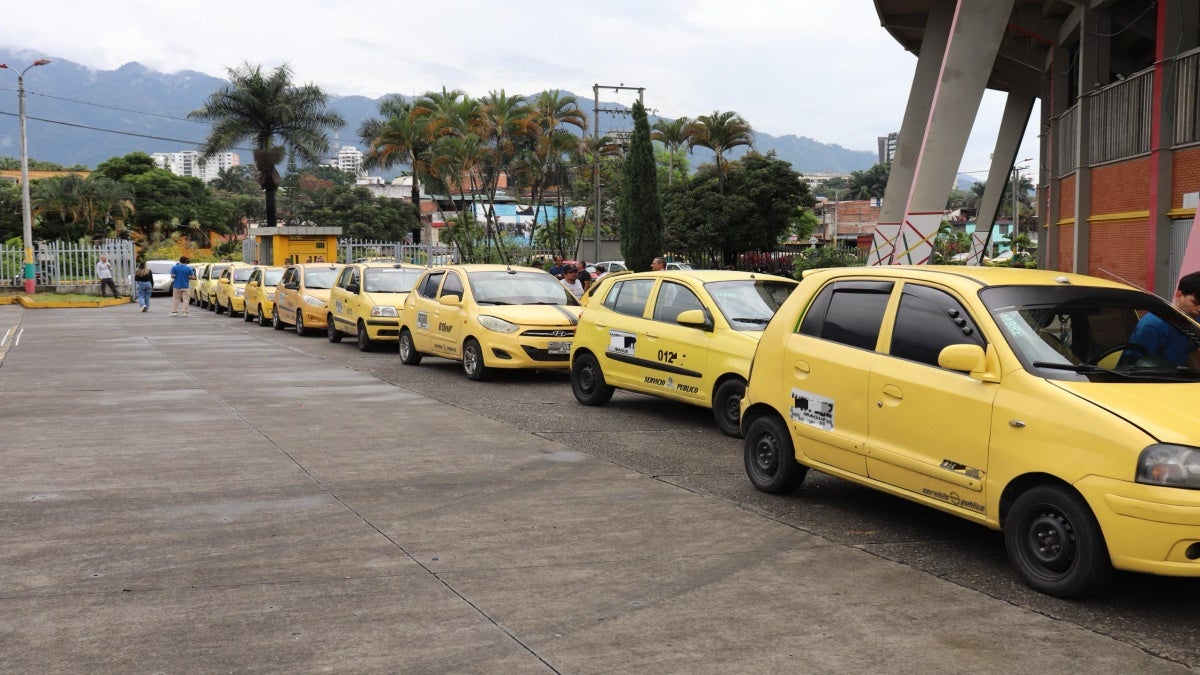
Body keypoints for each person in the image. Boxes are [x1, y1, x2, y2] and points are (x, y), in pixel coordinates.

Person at [1125, 271, 1200, 367]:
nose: (1199, 309)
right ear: (1179, 295)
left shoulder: (1195, 320)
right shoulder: (1152, 326)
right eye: (1195, 302)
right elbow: (1133, 367)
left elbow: (1192, 353)